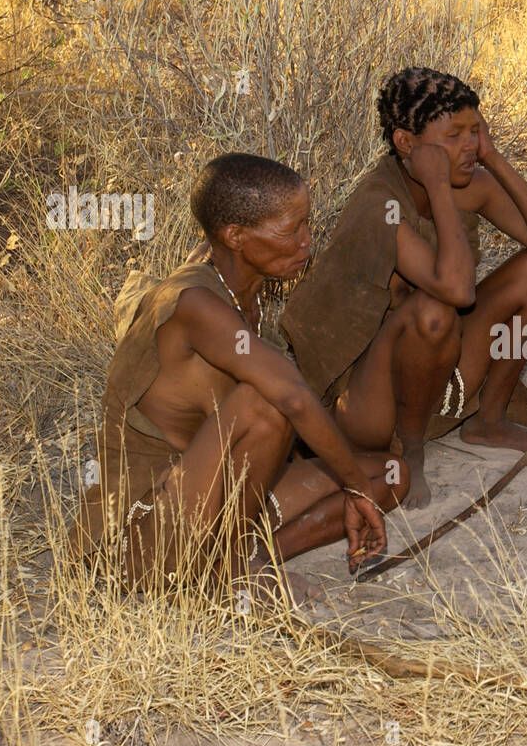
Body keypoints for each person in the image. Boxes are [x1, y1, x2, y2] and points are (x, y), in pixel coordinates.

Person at [69, 153, 406, 605]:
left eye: (308, 224)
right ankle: (226, 575)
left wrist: (357, 482)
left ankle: (248, 558)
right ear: (236, 237)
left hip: (210, 499)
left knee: (390, 473)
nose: (307, 242)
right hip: (137, 532)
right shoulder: (197, 303)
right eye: (292, 231)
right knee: (265, 403)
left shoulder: (239, 287)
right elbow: (292, 398)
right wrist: (353, 489)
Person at [280, 67, 527, 506]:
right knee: (433, 310)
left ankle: (488, 420)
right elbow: (456, 291)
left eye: (475, 131)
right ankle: (412, 448)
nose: (469, 146)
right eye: (454, 135)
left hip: (437, 377)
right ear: (406, 143)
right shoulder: (380, 203)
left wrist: (493, 159)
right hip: (366, 402)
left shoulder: (471, 182)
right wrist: (437, 184)